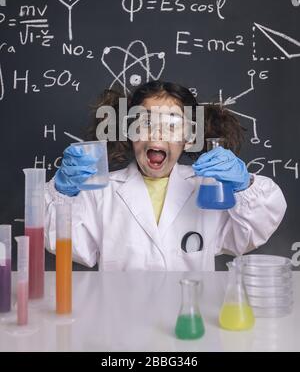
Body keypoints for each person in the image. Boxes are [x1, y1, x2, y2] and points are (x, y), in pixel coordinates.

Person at [45, 81, 287, 271]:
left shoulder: (209, 189)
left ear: (190, 137)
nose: (157, 133)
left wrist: (244, 186)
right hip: (121, 317)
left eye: (173, 124)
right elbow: (72, 246)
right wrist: (62, 193)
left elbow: (253, 232)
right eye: (145, 122)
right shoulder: (102, 191)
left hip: (190, 318)